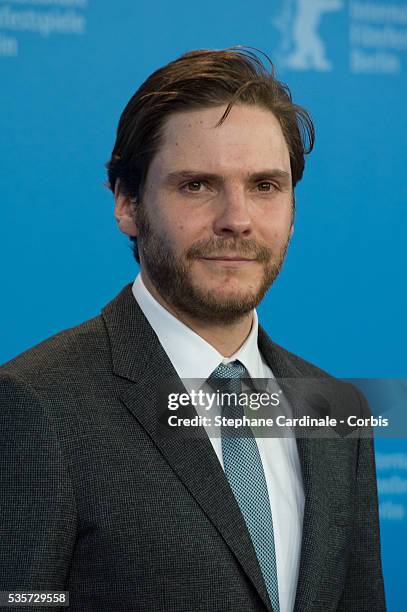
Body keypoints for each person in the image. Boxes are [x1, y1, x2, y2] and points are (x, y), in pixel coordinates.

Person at [0, 47, 385, 612]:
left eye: (265, 186)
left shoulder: (335, 406)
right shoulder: (36, 403)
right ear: (128, 204)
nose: (237, 218)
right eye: (197, 185)